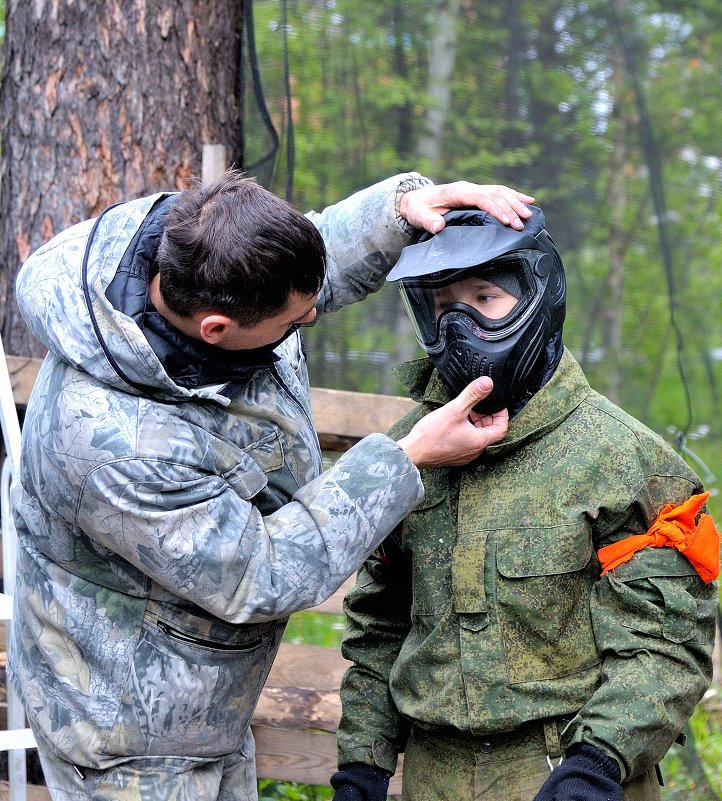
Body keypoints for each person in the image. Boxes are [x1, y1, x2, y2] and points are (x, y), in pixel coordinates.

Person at [9, 169, 536, 800]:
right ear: (216, 331)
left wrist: (396, 212)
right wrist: (406, 460)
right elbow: (262, 572)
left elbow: (298, 272)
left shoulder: (186, 249)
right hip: (131, 736)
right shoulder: (116, 444)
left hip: (202, 699)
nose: (314, 314)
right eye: (295, 321)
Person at [331, 208, 721, 801]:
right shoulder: (411, 454)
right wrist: (362, 767)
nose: (459, 324)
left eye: (484, 298)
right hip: (433, 775)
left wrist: (596, 764)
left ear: (537, 295)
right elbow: (381, 624)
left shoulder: (621, 460)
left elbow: (666, 645)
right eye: (441, 307)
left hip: (565, 773)